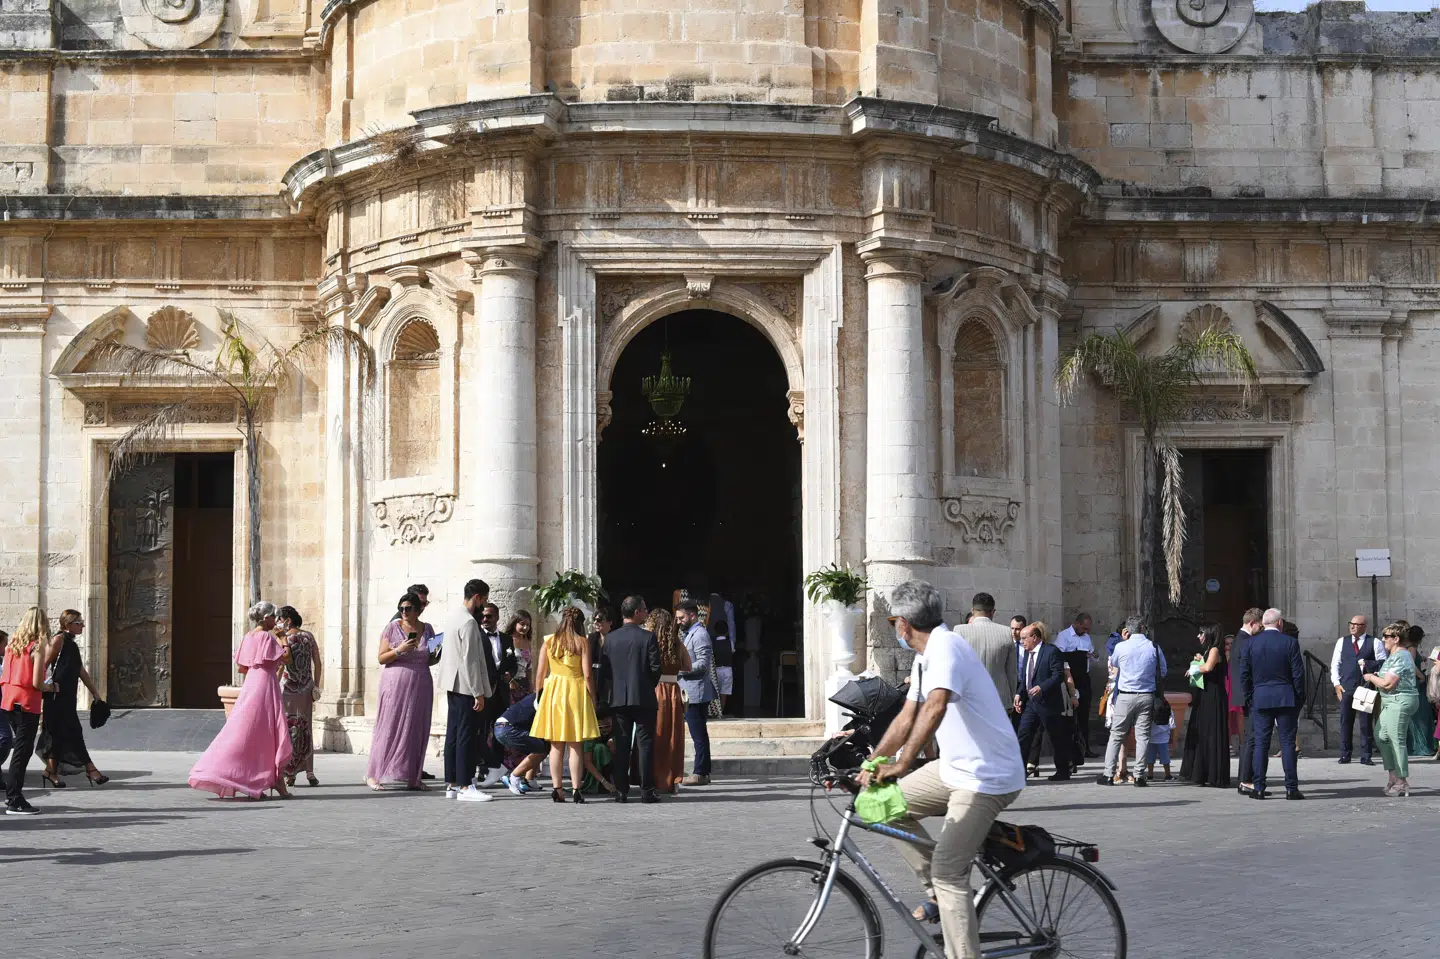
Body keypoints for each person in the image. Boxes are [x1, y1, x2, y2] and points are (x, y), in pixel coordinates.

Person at [860, 581, 1025, 959]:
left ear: (902, 625)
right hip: (954, 769)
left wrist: (901, 763)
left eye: (892, 622)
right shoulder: (925, 656)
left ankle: (951, 906)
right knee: (881, 805)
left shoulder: (947, 647)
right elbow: (907, 715)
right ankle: (938, 893)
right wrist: (873, 762)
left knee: (950, 872)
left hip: (987, 776)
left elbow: (934, 708)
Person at [189, 602, 293, 800]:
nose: (275, 620)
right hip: (265, 686)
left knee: (247, 730)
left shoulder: (249, 636)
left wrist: (259, 666)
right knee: (266, 732)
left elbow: (241, 667)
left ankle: (257, 779)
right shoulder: (266, 637)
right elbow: (287, 658)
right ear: (266, 618)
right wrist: (283, 638)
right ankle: (268, 780)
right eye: (273, 617)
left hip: (251, 683)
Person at [366, 591, 439, 792]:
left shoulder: (428, 629)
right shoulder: (393, 627)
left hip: (421, 681)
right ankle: (374, 774)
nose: (404, 612)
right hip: (395, 681)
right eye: (401, 608)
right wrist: (400, 650)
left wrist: (438, 652)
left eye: (408, 608)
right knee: (388, 726)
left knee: (417, 728)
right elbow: (381, 658)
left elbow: (431, 658)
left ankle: (414, 776)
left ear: (418, 610)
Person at [532, 606, 601, 803]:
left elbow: (540, 672)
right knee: (576, 745)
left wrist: (538, 695)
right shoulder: (582, 642)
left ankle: (557, 788)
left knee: (556, 745)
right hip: (576, 691)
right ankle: (577, 789)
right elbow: (587, 674)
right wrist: (593, 698)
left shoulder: (549, 641)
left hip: (554, 691)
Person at [435, 580, 492, 802]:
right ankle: (466, 786)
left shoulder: (452, 617)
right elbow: (470, 661)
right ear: (477, 597)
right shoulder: (468, 622)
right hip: (466, 686)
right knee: (466, 736)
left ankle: (451, 784)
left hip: (453, 684)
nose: (484, 605)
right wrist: (478, 692)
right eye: (484, 600)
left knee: (454, 735)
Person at [602, 595, 663, 803]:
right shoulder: (648, 637)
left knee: (622, 746)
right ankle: (647, 790)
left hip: (618, 699)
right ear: (636, 612)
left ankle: (621, 791)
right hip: (643, 698)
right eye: (644, 610)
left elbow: (606, 672)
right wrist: (645, 686)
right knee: (645, 745)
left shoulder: (610, 638)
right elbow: (656, 669)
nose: (646, 613)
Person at [38, 609, 107, 788]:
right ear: (67, 624)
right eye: (78, 623)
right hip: (55, 697)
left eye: (82, 622)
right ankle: (91, 769)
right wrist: (43, 688)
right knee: (70, 732)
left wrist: (95, 693)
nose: (82, 625)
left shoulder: (72, 645)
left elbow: (80, 671)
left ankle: (50, 772)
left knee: (60, 734)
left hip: (68, 697)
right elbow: (42, 665)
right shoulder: (58, 640)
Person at [1241, 608, 1305, 800]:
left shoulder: (1251, 644)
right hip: (1286, 697)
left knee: (1261, 743)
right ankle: (1291, 788)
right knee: (1287, 743)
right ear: (1280, 623)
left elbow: (1244, 675)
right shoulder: (1290, 642)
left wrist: (1250, 697)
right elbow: (1298, 675)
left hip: (1260, 698)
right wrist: (1299, 698)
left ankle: (1259, 787)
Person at [1098, 617, 1165, 788]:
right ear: (1143, 628)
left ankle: (1108, 774)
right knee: (1142, 736)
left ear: (1128, 630)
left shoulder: (1121, 646)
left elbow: (1113, 664)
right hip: (1146, 695)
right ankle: (1139, 776)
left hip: (1125, 696)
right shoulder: (1154, 647)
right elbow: (1162, 671)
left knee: (1116, 735)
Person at [3, 607, 52, 815]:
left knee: (20, 748)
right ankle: (15, 798)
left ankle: (13, 795)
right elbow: (37, 682)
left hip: (9, 699)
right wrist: (51, 687)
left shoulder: (12, 645)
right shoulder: (37, 645)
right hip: (27, 702)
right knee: (23, 751)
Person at [1366, 622, 1420, 796]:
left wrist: (1370, 677)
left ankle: (1402, 781)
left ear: (1396, 639)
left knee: (1397, 739)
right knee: (1381, 736)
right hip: (1390, 702)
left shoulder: (1401, 656)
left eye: (1387, 636)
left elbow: (1388, 684)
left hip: (1400, 700)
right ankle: (1393, 776)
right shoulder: (1393, 655)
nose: (1383, 639)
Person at [1013, 621, 1071, 781]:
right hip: (1031, 703)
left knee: (1056, 737)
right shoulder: (1026, 653)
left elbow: (1058, 675)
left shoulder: (1051, 652)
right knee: (1023, 735)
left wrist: (1041, 687)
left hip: (1049, 703)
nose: (1021, 641)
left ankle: (1063, 771)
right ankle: (1019, 771)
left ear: (1035, 637)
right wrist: (1019, 694)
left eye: (1024, 638)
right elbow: (1026, 677)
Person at [1179, 624, 1230, 788]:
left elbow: (1208, 668)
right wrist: (1201, 659)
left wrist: (1195, 669)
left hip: (1213, 696)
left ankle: (1213, 774)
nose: (1198, 636)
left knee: (1211, 732)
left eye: (1201, 633)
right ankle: (1203, 771)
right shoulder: (1210, 650)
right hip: (1206, 694)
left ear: (1209, 633)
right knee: (1203, 731)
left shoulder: (1215, 649)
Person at [647, 607, 691, 794]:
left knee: (655, 735)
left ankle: (654, 778)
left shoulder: (649, 643)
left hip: (655, 690)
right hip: (673, 691)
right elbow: (688, 666)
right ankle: (673, 779)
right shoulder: (677, 643)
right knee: (673, 737)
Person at [275, 605, 320, 788]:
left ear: (287, 620)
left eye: (279, 619)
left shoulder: (284, 639)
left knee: (289, 729)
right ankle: (309, 771)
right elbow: (317, 662)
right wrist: (316, 685)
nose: (277, 623)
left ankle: (290, 773)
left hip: (289, 689)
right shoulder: (308, 636)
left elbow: (282, 664)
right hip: (306, 687)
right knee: (305, 727)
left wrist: (273, 685)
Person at [954, 592, 1019, 717]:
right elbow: (1012, 671)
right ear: (993, 611)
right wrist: (1011, 697)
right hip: (1000, 699)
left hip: (968, 699)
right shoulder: (1006, 632)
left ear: (972, 610)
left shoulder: (959, 631)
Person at [1330, 614, 1381, 766]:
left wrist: (1367, 665)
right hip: (1346, 686)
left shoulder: (1375, 642)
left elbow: (1382, 663)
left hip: (1365, 687)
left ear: (1364, 626)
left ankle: (1366, 755)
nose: (1352, 626)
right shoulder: (1342, 642)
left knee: (1365, 722)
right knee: (1346, 721)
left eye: (1356, 624)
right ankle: (1345, 754)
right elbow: (1335, 664)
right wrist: (1336, 683)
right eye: (1351, 623)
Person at [675, 597, 717, 786]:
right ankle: (703, 772)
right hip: (690, 690)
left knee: (698, 734)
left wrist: (681, 669)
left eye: (681, 617)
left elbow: (703, 663)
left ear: (692, 615)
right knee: (699, 733)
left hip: (696, 692)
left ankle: (700, 772)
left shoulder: (699, 634)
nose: (678, 621)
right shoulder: (689, 632)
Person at [476, 601, 515, 788]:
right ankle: (484, 767)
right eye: (483, 616)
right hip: (484, 690)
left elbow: (512, 662)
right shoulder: (476, 637)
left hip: (501, 692)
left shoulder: (507, 639)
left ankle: (498, 767)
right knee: (482, 731)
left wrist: (511, 674)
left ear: (497, 617)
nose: (485, 619)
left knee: (500, 731)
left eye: (489, 616)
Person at [1054, 613, 1097, 760]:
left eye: (1088, 629)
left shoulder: (1086, 637)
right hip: (1069, 679)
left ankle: (1085, 747)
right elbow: (1058, 656)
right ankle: (1069, 749)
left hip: (1083, 678)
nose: (1086, 631)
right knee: (1069, 715)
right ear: (1076, 623)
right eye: (1084, 628)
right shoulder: (1064, 636)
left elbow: (1093, 654)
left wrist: (1093, 655)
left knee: (1084, 715)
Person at [1229, 608, 1261, 793]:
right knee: (1250, 739)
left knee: (1249, 738)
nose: (1261, 629)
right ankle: (1246, 780)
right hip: (1249, 696)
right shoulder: (1245, 641)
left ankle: (1244, 779)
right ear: (1251, 623)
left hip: (1243, 695)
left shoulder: (1239, 640)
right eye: (1259, 626)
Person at [494, 693, 548, 795]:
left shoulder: (538, 695)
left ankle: (529, 780)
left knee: (540, 745)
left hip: (502, 727)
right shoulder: (544, 697)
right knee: (543, 748)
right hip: (508, 729)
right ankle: (514, 776)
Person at [1400, 626, 1436, 758]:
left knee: (1414, 717)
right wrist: (1421, 676)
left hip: (1411, 684)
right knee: (1420, 716)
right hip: (1416, 685)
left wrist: (1423, 658)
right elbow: (1411, 664)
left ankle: (1413, 745)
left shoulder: (1407, 648)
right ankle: (1421, 746)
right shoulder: (1412, 648)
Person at [708, 594, 735, 716]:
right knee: (724, 692)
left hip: (716, 669)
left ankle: (714, 710)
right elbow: (733, 651)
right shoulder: (730, 643)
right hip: (728, 670)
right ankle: (721, 712)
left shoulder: (712, 644)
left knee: (714, 692)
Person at [1144, 710, 1175, 781]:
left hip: (1151, 737)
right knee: (1165, 758)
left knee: (1150, 758)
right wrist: (1171, 737)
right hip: (1163, 737)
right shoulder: (1168, 709)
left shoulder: (1149, 708)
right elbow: (1172, 725)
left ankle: (1150, 775)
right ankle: (1168, 775)